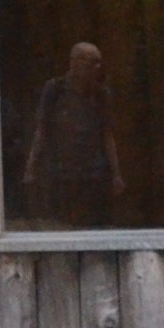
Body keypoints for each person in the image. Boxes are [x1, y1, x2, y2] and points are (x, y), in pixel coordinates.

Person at [21, 42, 121, 227]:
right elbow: (41, 130)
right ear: (75, 63)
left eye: (99, 63)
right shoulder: (55, 90)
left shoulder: (101, 95)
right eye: (93, 62)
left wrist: (116, 174)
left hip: (92, 173)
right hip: (61, 171)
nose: (97, 68)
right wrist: (31, 167)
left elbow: (107, 134)